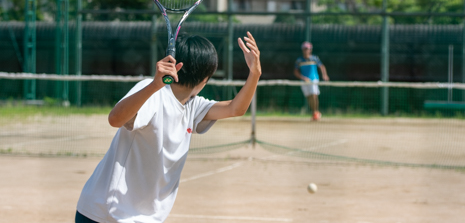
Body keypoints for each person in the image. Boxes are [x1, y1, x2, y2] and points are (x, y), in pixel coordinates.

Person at [75, 32, 261, 223]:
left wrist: (255, 73)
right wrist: (155, 85)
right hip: (105, 213)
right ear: (205, 78)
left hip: (140, 217)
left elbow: (235, 109)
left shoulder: (193, 106)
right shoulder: (152, 91)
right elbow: (115, 119)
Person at [294, 41, 329, 121]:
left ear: (310, 50)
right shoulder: (299, 60)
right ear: (302, 50)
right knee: (309, 97)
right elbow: (295, 71)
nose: (306, 50)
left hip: (314, 80)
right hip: (304, 82)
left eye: (308, 49)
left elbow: (322, 67)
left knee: (314, 95)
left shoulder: (315, 58)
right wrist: (303, 78)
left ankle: (316, 112)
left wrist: (325, 75)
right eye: (305, 49)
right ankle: (314, 113)